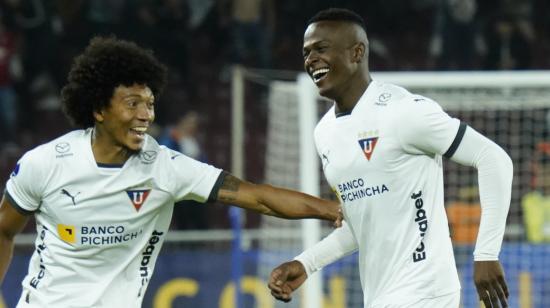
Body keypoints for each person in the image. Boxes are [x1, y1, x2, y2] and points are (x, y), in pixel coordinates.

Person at [0, 36, 341, 308]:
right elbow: (3, 231)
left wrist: (332, 210)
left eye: (149, 103)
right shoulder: (44, 164)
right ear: (99, 109)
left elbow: (258, 197)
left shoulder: (166, 168)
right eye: (132, 103)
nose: (145, 114)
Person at [268, 8, 512, 308]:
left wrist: (486, 252)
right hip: (382, 296)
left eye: (321, 49)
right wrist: (306, 263)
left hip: (426, 290)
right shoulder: (325, 133)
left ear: (357, 52)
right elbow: (362, 223)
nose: (310, 60)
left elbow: (493, 158)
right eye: (306, 53)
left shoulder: (404, 111)